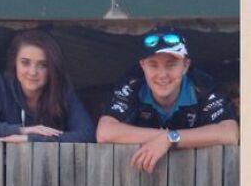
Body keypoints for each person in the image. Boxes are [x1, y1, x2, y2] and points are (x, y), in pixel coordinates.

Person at [96, 28, 239, 174]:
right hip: (135, 176)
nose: (162, 75)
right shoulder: (133, 83)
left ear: (185, 66)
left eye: (171, 65)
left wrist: (171, 139)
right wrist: (165, 138)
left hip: (201, 175)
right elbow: (105, 132)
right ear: (142, 66)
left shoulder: (203, 85)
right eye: (153, 65)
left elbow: (229, 133)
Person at [0, 29, 95, 143]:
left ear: (52, 68)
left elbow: (88, 134)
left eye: (43, 65)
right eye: (25, 63)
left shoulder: (61, 89)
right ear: (14, 62)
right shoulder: (2, 86)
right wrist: (21, 130)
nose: (33, 72)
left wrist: (32, 139)